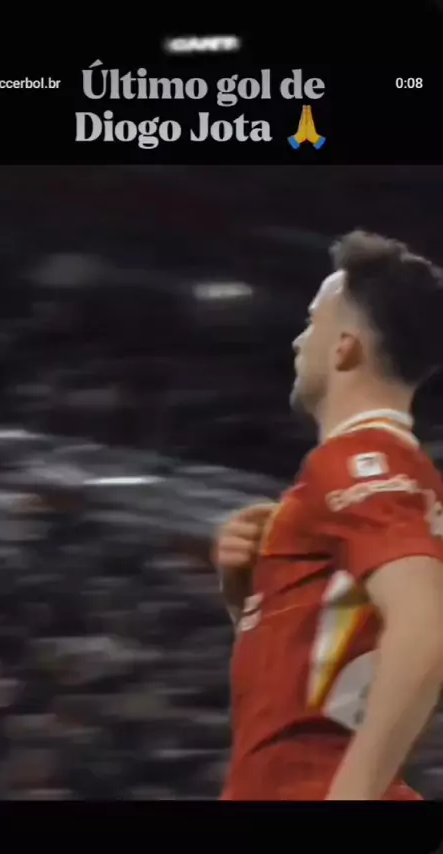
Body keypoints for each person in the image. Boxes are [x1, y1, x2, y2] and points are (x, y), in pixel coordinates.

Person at [213, 230, 443, 800]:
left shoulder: (358, 464)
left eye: (312, 321)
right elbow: (313, 682)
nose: (299, 339)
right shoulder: (400, 476)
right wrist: (251, 595)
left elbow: (426, 627)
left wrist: (354, 795)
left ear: (344, 347)